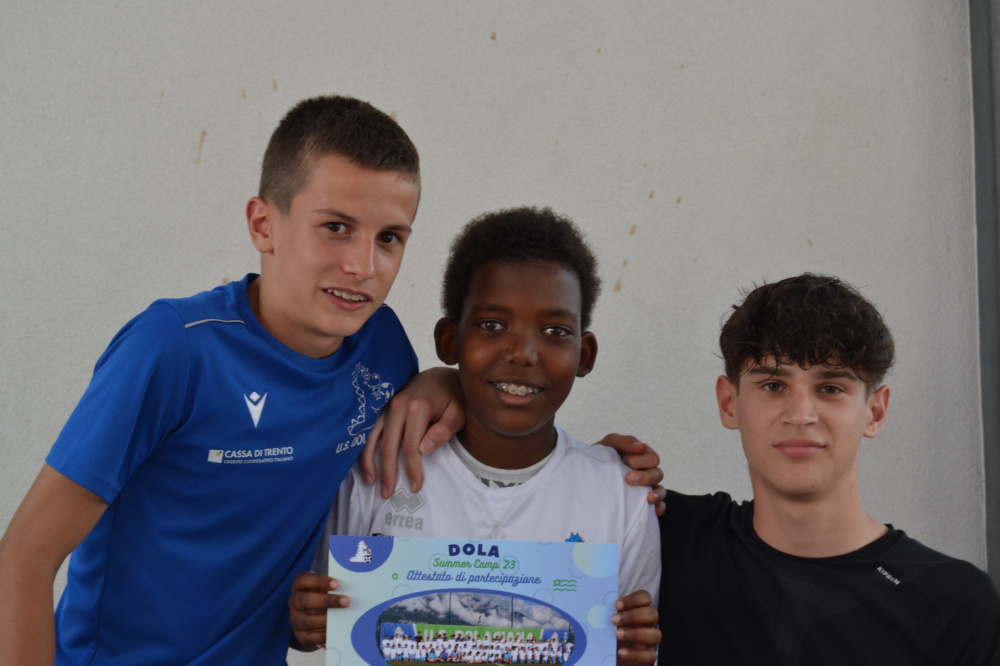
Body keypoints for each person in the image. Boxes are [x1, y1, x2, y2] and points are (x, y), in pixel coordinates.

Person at [0, 95, 662, 664]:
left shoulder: (381, 350)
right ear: (264, 224)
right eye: (336, 228)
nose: (362, 266)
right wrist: (444, 381)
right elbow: (25, 556)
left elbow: (473, 398)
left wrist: (451, 387)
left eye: (389, 238)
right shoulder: (173, 349)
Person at [289, 207, 662, 665]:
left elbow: (622, 644)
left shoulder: (621, 498)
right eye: (492, 325)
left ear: (584, 355)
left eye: (554, 330)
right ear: (451, 341)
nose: (522, 353)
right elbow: (321, 621)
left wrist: (630, 653)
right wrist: (306, 623)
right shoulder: (377, 467)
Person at [656, 273, 1000, 664]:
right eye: (773, 385)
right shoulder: (668, 536)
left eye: (831, 388)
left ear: (874, 412)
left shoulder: (953, 603)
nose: (800, 415)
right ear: (728, 403)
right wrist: (603, 459)